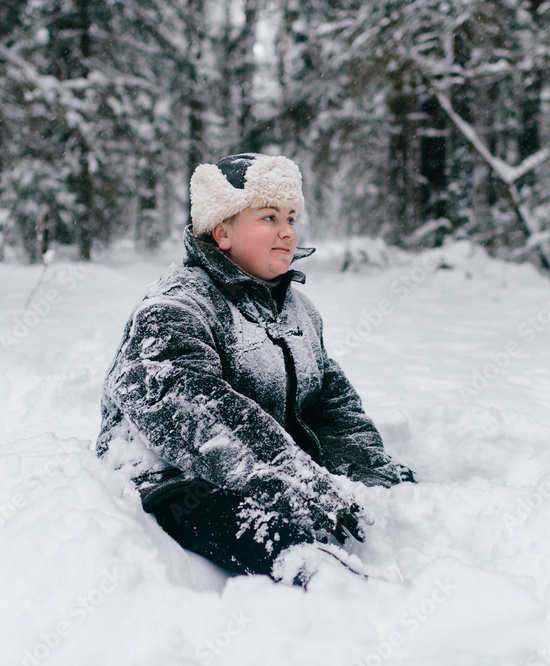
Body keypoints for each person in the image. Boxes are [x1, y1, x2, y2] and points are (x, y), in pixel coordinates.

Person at [97, 153, 414, 585]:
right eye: (268, 217)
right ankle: (317, 578)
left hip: (260, 469)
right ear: (222, 232)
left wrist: (370, 471)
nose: (287, 231)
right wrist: (287, 474)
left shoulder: (298, 311)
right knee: (255, 526)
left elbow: (328, 401)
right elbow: (190, 409)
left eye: (291, 216)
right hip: (173, 477)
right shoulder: (176, 306)